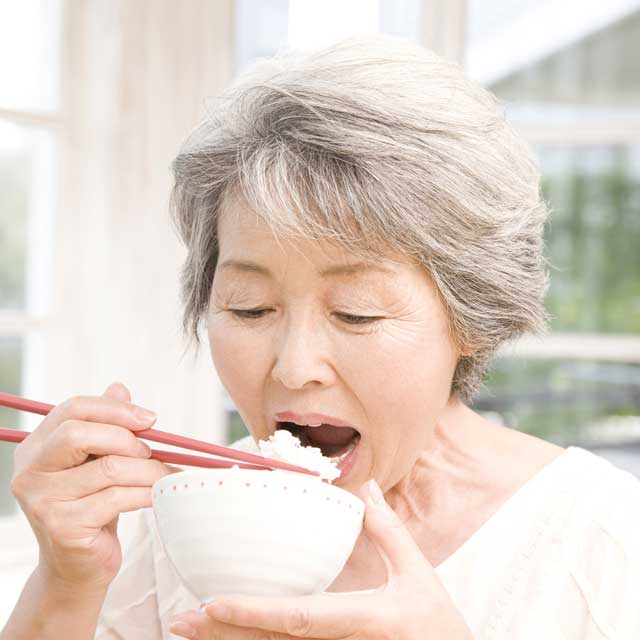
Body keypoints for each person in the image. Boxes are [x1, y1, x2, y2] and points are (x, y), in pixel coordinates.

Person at [3, 35, 639, 640]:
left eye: (357, 313)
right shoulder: (187, 524)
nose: (294, 366)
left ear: (473, 316)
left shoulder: (609, 542)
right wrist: (64, 582)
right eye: (249, 308)